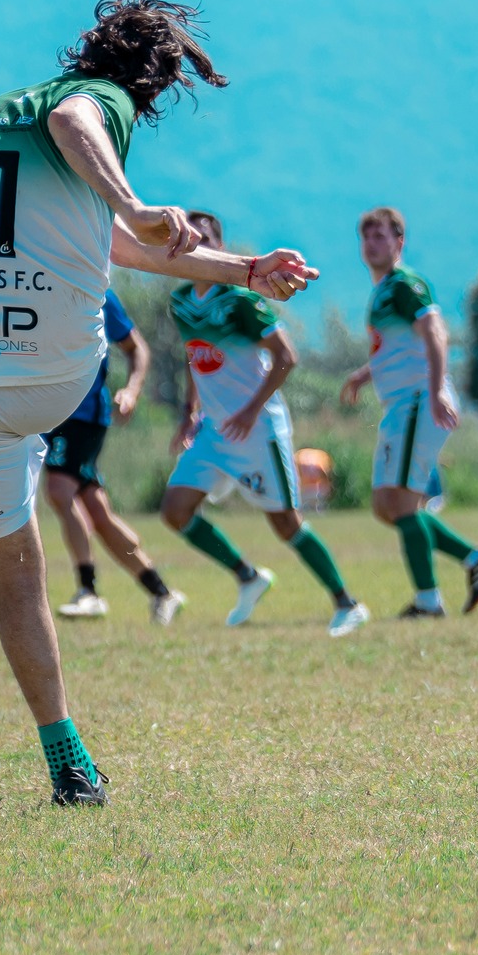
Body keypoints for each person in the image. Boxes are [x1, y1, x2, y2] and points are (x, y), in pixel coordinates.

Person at [0, 0, 317, 807]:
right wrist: (131, 199)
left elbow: (114, 244)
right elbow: (76, 123)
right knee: (47, 491)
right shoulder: (101, 100)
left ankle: (66, 752)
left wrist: (242, 270)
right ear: (155, 82)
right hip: (51, 365)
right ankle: (70, 750)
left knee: (13, 563)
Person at [156, 211, 368, 637]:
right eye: (191, 237)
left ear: (220, 247)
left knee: (286, 524)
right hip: (215, 431)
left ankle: (348, 603)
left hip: (258, 428)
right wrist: (188, 414)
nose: (198, 244)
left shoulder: (241, 299)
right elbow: (193, 355)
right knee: (175, 511)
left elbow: (287, 356)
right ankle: (248, 576)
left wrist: (251, 409)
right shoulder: (180, 301)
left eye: (208, 238)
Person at [338, 208, 478, 619]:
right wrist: (363, 375)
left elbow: (435, 331)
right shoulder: (382, 291)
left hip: (417, 402)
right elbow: (397, 349)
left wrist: (435, 391)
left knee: (402, 505)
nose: (373, 244)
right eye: (367, 237)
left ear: (399, 242)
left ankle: (429, 601)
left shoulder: (405, 284)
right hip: (401, 405)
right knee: (384, 506)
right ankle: (472, 558)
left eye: (381, 236)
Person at [43, 287, 182, 624]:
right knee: (96, 512)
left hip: (83, 415)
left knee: (60, 491)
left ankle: (88, 592)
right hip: (47, 413)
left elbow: (137, 349)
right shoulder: (31, 282)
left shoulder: (98, 292)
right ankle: (162, 592)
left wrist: (131, 391)